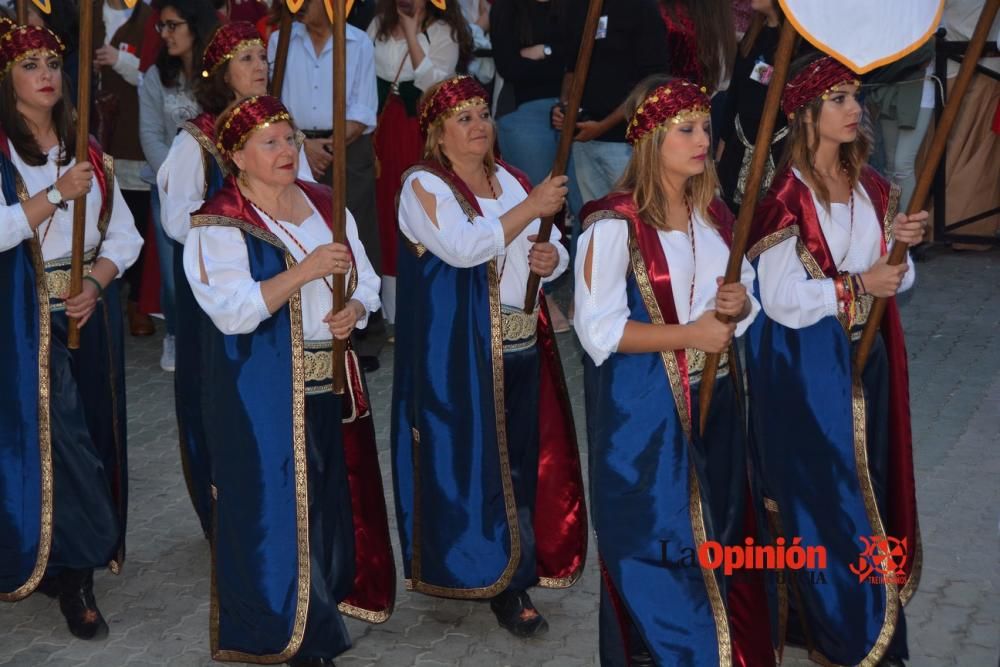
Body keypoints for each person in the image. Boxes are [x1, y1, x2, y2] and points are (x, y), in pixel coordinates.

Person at [184, 95, 395, 666]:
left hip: (330, 381)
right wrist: (304, 271)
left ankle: (319, 615)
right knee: (272, 510)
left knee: (327, 505)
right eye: (270, 142)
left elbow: (366, 280)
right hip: (262, 391)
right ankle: (285, 635)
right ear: (237, 154)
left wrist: (355, 309)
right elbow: (231, 310)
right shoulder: (219, 220)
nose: (287, 150)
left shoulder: (328, 203)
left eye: (291, 138)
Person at [575, 75, 771, 667]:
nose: (702, 139)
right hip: (645, 416)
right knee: (658, 545)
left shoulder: (714, 213)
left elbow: (747, 295)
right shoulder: (613, 226)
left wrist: (738, 307)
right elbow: (599, 332)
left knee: (721, 535)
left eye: (706, 127)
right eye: (685, 129)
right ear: (650, 140)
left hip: (717, 405)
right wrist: (691, 334)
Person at [745, 55, 926, 666]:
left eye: (856, 98)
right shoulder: (784, 195)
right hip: (801, 365)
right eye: (840, 99)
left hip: (868, 355)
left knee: (869, 481)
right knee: (827, 497)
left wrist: (902, 253)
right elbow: (781, 300)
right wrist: (857, 286)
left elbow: (900, 282)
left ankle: (857, 619)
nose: (855, 109)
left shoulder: (873, 186)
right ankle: (852, 632)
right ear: (806, 114)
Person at [391, 76, 587, 638]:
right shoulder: (423, 185)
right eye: (464, 118)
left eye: (483, 113)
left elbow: (542, 246)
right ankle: (488, 576)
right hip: (460, 352)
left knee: (523, 460)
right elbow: (465, 246)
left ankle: (517, 567)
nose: (480, 126)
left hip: (524, 339)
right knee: (471, 465)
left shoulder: (510, 178)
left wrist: (556, 257)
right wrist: (532, 208)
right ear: (438, 132)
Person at [0, 23, 142, 640]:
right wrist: (56, 194)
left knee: (87, 433)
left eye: (53, 61)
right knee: (53, 442)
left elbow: (126, 237)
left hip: (85, 312)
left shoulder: (88, 152)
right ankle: (72, 574)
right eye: (30, 64)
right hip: (20, 320)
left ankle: (69, 559)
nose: (46, 73)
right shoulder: (5, 156)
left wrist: (98, 282)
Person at [157, 21, 311, 539]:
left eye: (262, 57)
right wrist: (236, 217)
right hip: (221, 284)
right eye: (246, 59)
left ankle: (287, 500)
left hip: (284, 283)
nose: (259, 67)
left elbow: (305, 199)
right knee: (217, 396)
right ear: (222, 73)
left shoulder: (279, 127)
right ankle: (223, 507)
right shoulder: (197, 140)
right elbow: (177, 218)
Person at [268, 0, 383, 371]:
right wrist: (302, 143)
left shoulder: (359, 42)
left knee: (355, 231)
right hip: (292, 145)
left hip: (347, 145)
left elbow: (364, 110)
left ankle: (361, 329)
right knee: (296, 231)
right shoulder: (279, 40)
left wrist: (328, 146)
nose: (298, 5)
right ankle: (303, 322)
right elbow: (274, 104)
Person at [368, 0, 472, 325]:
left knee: (425, 210)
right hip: (383, 130)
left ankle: (428, 304)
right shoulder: (377, 27)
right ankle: (393, 310)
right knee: (386, 210)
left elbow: (432, 87)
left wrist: (413, 33)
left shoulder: (445, 32)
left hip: (423, 132)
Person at [139, 0, 219, 372]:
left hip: (219, 182)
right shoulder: (157, 76)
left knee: (215, 260)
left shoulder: (219, 71)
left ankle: (215, 332)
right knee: (174, 268)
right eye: (162, 27)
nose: (166, 34)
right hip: (168, 185)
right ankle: (175, 333)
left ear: (195, 26)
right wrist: (174, 176)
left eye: (173, 25)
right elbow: (150, 134)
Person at [552, 0, 669, 203]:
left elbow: (652, 83)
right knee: (595, 217)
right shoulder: (577, 6)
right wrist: (563, 107)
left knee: (635, 217)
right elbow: (571, 68)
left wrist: (603, 126)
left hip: (625, 143)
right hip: (583, 137)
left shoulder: (641, 7)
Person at [92, 0, 155, 336]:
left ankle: (136, 305)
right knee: (99, 219)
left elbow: (154, 74)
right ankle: (103, 294)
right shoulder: (86, 13)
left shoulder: (148, 18)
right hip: (93, 138)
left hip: (132, 140)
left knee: (137, 220)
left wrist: (120, 60)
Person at [717, 0, 788, 210]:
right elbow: (735, 94)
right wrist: (721, 153)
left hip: (777, 152)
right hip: (738, 148)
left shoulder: (797, 44)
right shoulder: (754, 34)